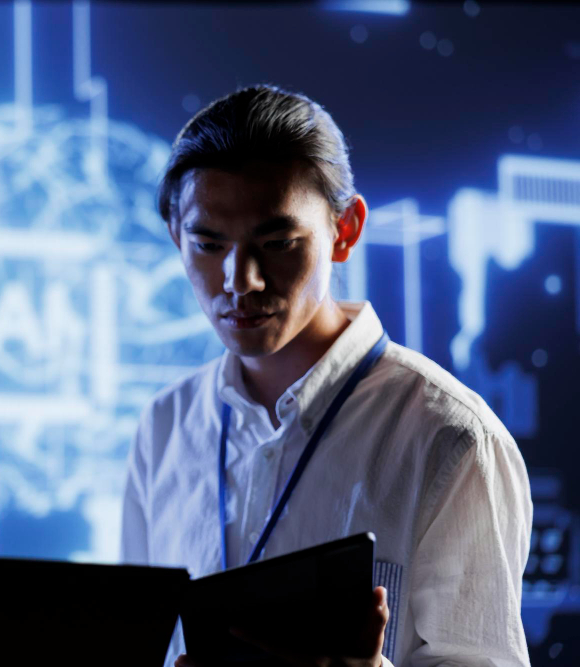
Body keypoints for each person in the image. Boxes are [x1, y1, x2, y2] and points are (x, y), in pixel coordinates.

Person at [121, 85, 532, 666]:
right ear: (174, 237)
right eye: (209, 244)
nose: (241, 279)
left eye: (278, 243)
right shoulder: (164, 426)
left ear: (346, 231)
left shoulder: (453, 439)